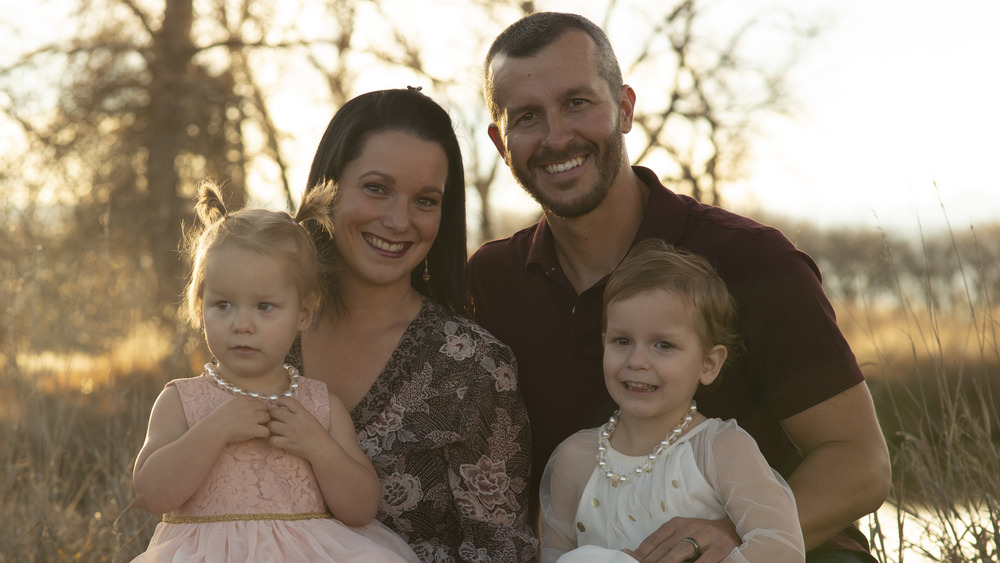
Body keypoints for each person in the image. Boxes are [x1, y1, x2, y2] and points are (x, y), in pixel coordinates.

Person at [469, 11, 891, 562]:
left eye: (577, 103)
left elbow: (860, 462)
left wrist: (732, 532)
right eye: (528, 117)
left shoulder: (751, 261)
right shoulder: (489, 284)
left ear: (623, 108)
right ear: (502, 142)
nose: (556, 136)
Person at [286, 87, 538, 562]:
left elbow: (500, 552)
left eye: (425, 200)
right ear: (328, 186)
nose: (399, 220)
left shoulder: (474, 370)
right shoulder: (266, 331)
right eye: (377, 188)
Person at [132, 180, 418, 561]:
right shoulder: (182, 401)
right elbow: (151, 493)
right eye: (224, 305)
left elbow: (361, 507)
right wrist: (214, 429)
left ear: (303, 312)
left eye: (264, 307)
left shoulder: (318, 405)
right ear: (199, 308)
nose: (242, 324)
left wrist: (318, 446)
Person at [540, 239, 805, 563]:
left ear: (708, 363)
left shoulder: (720, 449)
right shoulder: (575, 458)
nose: (637, 361)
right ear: (603, 344)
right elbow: (553, 557)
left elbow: (781, 546)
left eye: (663, 345)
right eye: (622, 340)